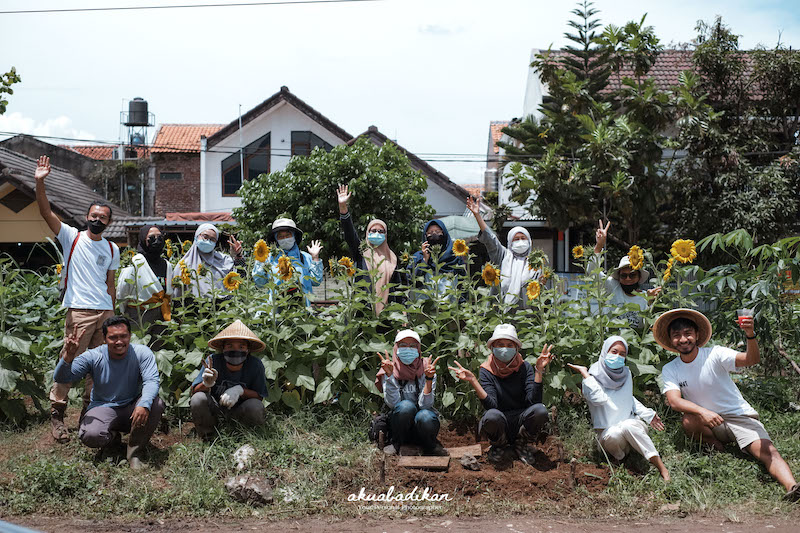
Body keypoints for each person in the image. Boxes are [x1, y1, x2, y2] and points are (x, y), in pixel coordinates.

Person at [655, 308, 799, 501]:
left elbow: (751, 359)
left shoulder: (715, 354)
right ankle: (716, 447)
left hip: (738, 416)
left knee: (767, 451)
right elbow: (674, 401)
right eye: (677, 335)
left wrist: (750, 335)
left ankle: (792, 487)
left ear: (697, 335)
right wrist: (703, 411)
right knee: (689, 420)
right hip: (708, 421)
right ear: (671, 340)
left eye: (688, 333)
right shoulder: (671, 368)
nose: (683, 339)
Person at [34, 155, 121, 443]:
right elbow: (46, 213)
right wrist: (39, 183)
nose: (97, 220)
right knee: (70, 361)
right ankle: (57, 412)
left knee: (99, 367)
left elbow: (110, 284)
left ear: (108, 223)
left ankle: (88, 413)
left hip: (104, 315)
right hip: (80, 312)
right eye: (93, 216)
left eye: (103, 218)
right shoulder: (72, 237)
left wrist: (113, 315)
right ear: (87, 217)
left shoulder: (111, 248)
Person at [53, 316, 164, 469]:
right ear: (104, 339)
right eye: (113, 338)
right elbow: (62, 377)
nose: (119, 342)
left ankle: (134, 452)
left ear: (129, 336)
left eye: (123, 336)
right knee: (90, 435)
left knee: (156, 403)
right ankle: (113, 441)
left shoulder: (141, 353)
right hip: (104, 406)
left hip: (133, 406)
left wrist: (144, 404)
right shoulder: (94, 356)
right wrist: (68, 356)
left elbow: (151, 381)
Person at [567, 336, 670, 481]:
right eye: (614, 352)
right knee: (614, 435)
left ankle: (661, 467)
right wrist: (585, 375)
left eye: (622, 354)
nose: (618, 357)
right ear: (605, 351)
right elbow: (599, 399)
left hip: (631, 425)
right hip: (608, 432)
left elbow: (628, 397)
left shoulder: (626, 373)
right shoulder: (592, 377)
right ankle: (622, 457)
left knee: (628, 425)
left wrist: (648, 415)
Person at [450, 324, 553, 468]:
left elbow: (533, 402)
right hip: (500, 421)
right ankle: (499, 445)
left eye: (509, 345)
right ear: (492, 347)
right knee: (491, 415)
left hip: (521, 419)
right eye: (500, 344)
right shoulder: (487, 370)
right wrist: (474, 381)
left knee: (540, 410)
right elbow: (491, 405)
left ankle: (521, 444)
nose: (504, 348)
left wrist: (538, 371)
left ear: (516, 347)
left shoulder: (525, 368)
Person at [190, 320, 268, 439]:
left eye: (241, 346)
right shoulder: (212, 361)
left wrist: (240, 390)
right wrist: (207, 383)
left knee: (255, 405)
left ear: (248, 350)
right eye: (229, 346)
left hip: (241, 411)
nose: (235, 350)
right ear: (223, 348)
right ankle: (208, 437)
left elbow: (259, 396)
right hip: (215, 410)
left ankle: (247, 436)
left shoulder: (255, 365)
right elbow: (195, 391)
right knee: (198, 399)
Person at [336, 184, 407, 314]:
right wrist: (343, 208)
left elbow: (400, 289)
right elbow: (350, 234)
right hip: (363, 316)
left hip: (388, 317)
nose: (377, 234)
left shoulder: (392, 258)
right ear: (367, 233)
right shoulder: (362, 252)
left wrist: (402, 314)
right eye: (373, 230)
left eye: (381, 231)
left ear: (386, 235)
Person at [374, 329, 446, 456]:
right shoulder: (389, 368)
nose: (408, 349)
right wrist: (390, 376)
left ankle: (429, 446)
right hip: (399, 422)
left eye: (412, 346)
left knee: (425, 415)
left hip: (421, 423)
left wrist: (429, 379)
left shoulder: (426, 368)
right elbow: (393, 404)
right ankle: (397, 443)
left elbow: (426, 405)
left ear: (418, 349)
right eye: (403, 345)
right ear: (396, 348)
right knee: (405, 406)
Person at [467, 195, 540, 309]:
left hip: (528, 318)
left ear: (529, 241)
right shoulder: (504, 256)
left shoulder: (535, 262)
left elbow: (540, 292)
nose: (520, 242)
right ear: (510, 243)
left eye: (523, 238)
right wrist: (477, 216)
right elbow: (491, 240)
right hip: (502, 315)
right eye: (516, 239)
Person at [589, 220, 660, 329]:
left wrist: (650, 303)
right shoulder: (613, 287)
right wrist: (599, 246)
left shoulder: (645, 297)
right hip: (614, 342)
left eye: (632, 275)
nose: (627, 279)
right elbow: (593, 274)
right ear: (619, 276)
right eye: (623, 275)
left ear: (639, 277)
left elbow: (647, 326)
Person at [117, 225, 173, 338]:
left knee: (159, 346)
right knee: (138, 346)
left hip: (161, 313)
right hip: (139, 314)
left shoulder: (167, 265)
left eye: (160, 237)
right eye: (151, 238)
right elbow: (122, 291)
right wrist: (125, 312)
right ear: (143, 239)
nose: (156, 241)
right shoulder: (135, 263)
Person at [252, 217, 323, 306]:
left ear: (294, 236)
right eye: (280, 236)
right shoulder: (269, 258)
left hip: (302, 310)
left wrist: (315, 257)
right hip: (276, 311)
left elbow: (316, 281)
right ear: (276, 239)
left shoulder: (305, 257)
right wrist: (260, 260)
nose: (285, 239)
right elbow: (260, 283)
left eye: (288, 235)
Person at [174, 223, 243, 299]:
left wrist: (238, 255)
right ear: (196, 236)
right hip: (195, 308)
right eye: (205, 237)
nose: (208, 241)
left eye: (212, 239)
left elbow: (241, 277)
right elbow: (177, 293)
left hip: (222, 307)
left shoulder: (223, 260)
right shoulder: (184, 265)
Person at [410, 219, 466, 300]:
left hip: (451, 309)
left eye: (437, 231)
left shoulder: (454, 257)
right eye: (430, 233)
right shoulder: (417, 257)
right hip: (425, 309)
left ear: (445, 234)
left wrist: (461, 305)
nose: (434, 234)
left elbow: (463, 284)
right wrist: (425, 260)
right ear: (425, 237)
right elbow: (413, 282)